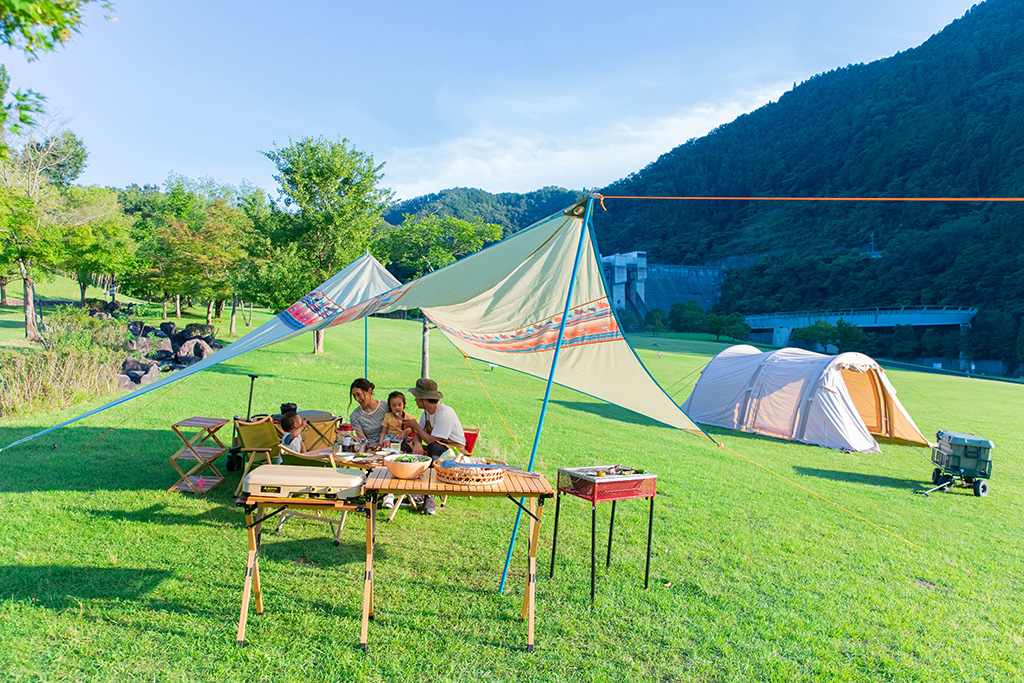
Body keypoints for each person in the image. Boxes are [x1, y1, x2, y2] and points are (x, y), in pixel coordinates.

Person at [403, 378, 465, 515]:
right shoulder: (426, 412)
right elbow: (419, 434)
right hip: (435, 445)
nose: (415, 400)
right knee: (406, 447)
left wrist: (415, 426)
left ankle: (429, 497)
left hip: (453, 452)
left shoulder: (445, 413)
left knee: (434, 448)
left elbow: (431, 440)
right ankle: (410, 490)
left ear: (424, 399)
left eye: (417, 398)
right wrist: (417, 442)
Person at [348, 378, 389, 449]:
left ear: (369, 391)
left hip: (390, 446)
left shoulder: (386, 406)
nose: (357, 399)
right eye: (354, 396)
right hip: (371, 450)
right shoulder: (355, 416)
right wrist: (348, 435)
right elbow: (363, 441)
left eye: (358, 394)